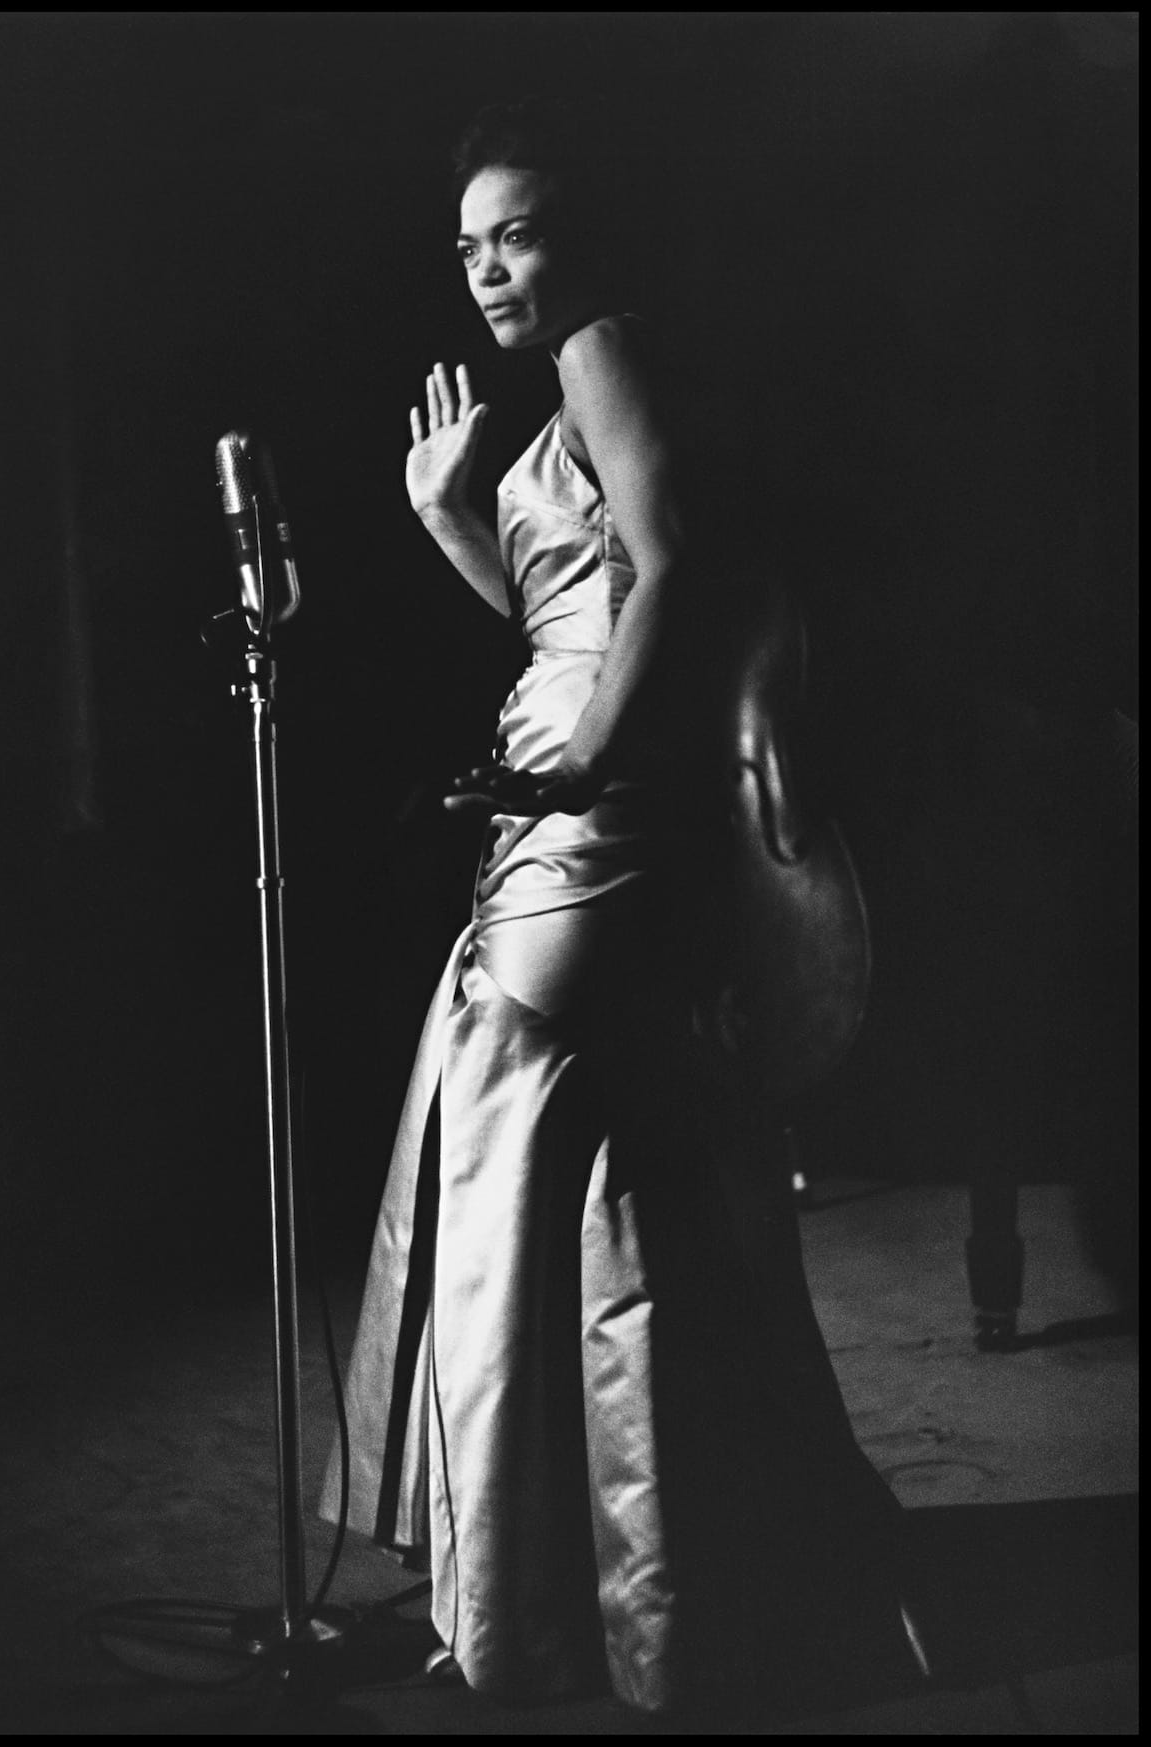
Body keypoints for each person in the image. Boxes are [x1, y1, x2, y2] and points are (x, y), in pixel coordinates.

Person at [319, 98, 923, 1716]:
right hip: (567, 803)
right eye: (466, 248)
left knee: (524, 1099)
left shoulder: (604, 349)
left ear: (580, 232)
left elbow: (667, 573)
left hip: (598, 817)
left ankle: (561, 1597)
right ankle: (634, 1581)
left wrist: (584, 764)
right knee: (582, 1145)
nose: (487, 272)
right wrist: (449, 509)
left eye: (513, 232)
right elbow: (557, 603)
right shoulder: (583, 385)